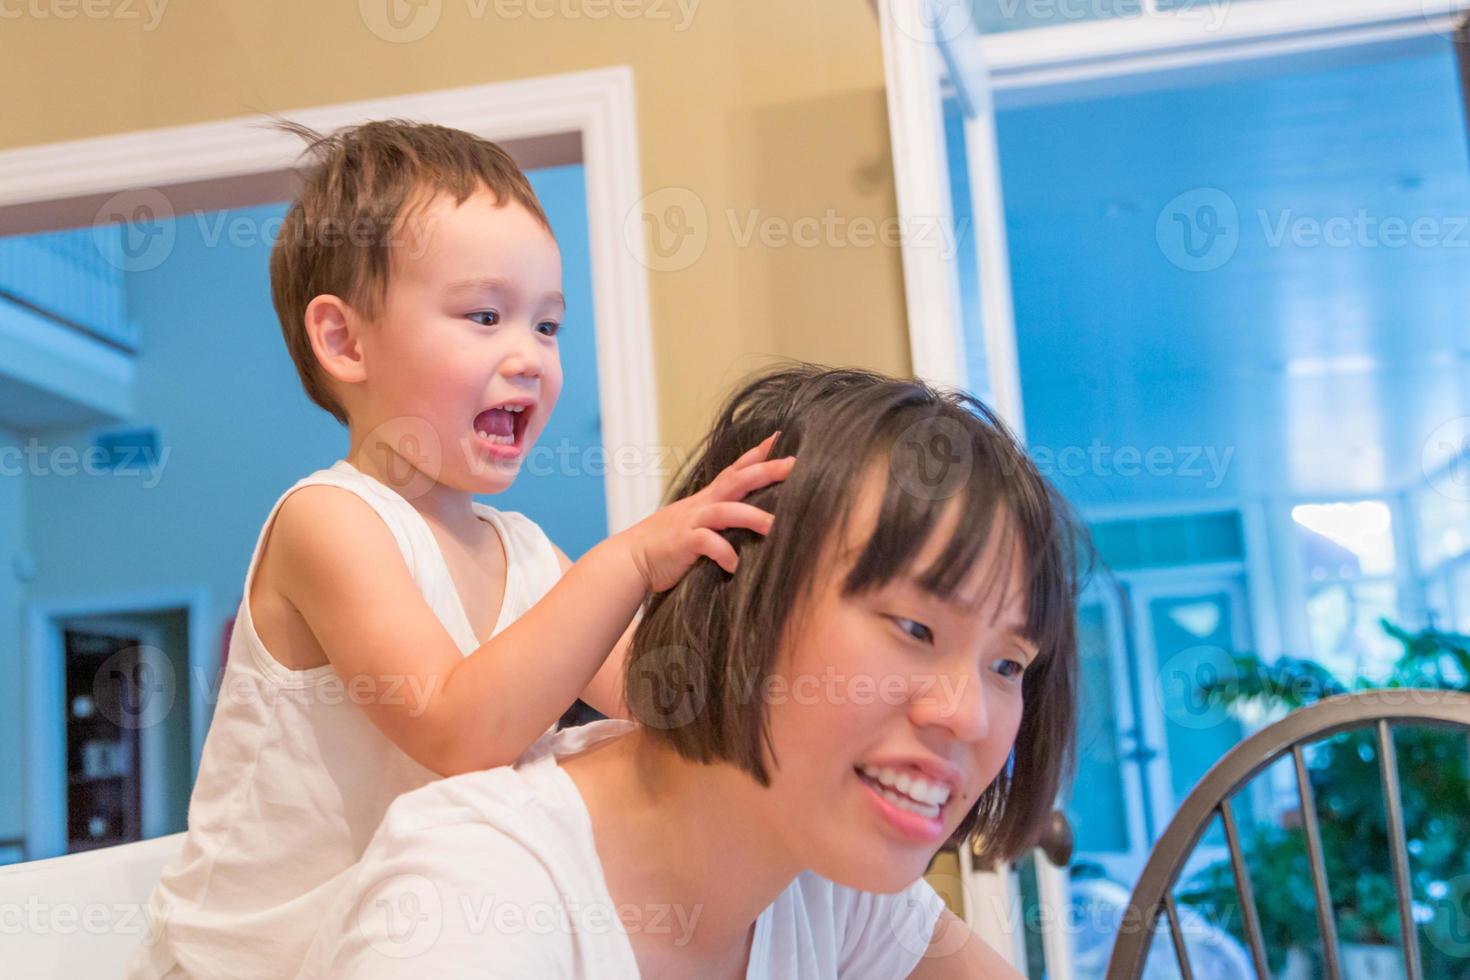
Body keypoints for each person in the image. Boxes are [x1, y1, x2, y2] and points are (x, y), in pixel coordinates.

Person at [128, 120, 791, 979]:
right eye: (485, 315)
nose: (530, 357)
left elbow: (661, 704)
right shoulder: (329, 523)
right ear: (345, 342)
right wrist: (626, 563)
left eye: (548, 327)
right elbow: (457, 725)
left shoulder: (527, 552)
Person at [298, 364, 1081, 978]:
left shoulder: (818, 866)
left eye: (1008, 664)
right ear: (738, 587)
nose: (970, 716)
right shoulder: (471, 903)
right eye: (916, 627)